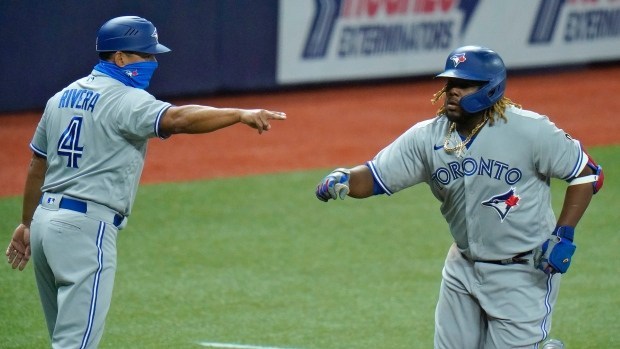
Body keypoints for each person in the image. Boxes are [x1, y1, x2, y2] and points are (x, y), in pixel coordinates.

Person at [5, 16, 285, 348]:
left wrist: (26, 222)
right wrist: (237, 114)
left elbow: (39, 162)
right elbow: (177, 119)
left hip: (44, 226)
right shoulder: (125, 99)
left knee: (65, 340)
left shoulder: (60, 98)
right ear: (120, 57)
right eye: (146, 55)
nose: (153, 62)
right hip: (83, 231)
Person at [315, 45, 603, 348]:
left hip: (522, 270)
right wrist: (346, 177)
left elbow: (587, 173)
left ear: (490, 89)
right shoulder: (428, 137)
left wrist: (564, 234)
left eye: (464, 85)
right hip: (462, 267)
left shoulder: (530, 131)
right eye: (450, 84)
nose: (452, 91)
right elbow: (376, 176)